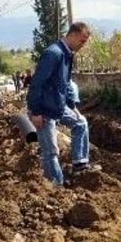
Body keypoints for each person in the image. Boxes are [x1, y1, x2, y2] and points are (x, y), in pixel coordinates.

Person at [27, 22, 97, 185]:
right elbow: (37, 83)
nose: (83, 45)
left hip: (57, 105)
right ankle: (57, 188)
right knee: (50, 152)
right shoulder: (54, 53)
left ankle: (80, 164)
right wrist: (36, 112)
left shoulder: (67, 54)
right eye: (82, 41)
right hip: (44, 110)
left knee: (81, 123)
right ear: (72, 35)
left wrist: (72, 106)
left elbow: (64, 83)